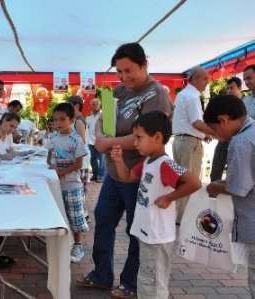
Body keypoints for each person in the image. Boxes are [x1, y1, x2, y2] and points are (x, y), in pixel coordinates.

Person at [77, 42, 171, 299]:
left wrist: (109, 142)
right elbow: (101, 123)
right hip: (114, 172)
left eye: (129, 70)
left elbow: (152, 136)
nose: (124, 77)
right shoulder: (118, 91)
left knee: (135, 228)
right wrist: (100, 137)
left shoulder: (157, 94)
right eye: (119, 71)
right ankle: (101, 275)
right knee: (103, 219)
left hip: (138, 173)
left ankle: (130, 283)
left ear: (144, 65)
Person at [110, 111, 201, 299]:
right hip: (148, 233)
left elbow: (195, 183)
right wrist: (118, 161)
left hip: (157, 236)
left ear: (158, 137)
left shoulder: (165, 164)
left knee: (152, 281)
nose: (135, 143)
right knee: (147, 278)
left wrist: (169, 198)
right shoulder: (148, 161)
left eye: (139, 138)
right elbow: (127, 177)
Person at [204, 94, 255, 297]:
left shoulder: (241, 142)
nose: (217, 135)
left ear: (224, 119)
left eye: (215, 129)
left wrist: (216, 187)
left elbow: (238, 187)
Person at [47, 103, 89, 262]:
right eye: (55, 119)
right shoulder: (53, 138)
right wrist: (51, 165)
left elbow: (79, 164)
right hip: (57, 185)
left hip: (72, 185)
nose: (58, 123)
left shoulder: (75, 139)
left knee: (76, 216)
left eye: (62, 119)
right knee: (61, 214)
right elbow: (50, 158)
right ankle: (65, 244)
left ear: (71, 120)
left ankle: (78, 245)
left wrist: (62, 172)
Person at [172, 66, 214, 224]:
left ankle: (179, 216)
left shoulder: (183, 94)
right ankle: (185, 219)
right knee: (191, 181)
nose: (207, 82)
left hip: (181, 141)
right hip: (189, 143)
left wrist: (205, 134)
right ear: (194, 79)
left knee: (181, 180)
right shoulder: (192, 96)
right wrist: (216, 132)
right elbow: (196, 122)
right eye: (204, 78)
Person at [210, 77, 242, 181]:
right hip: (223, 141)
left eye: (231, 88)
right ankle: (213, 191)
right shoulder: (223, 105)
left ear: (239, 88)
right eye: (228, 88)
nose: (229, 91)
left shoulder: (246, 104)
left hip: (239, 142)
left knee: (235, 171)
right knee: (216, 168)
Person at [87, 98, 105, 182]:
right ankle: (95, 174)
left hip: (100, 141)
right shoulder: (89, 117)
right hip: (91, 141)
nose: (94, 106)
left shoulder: (104, 115)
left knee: (101, 159)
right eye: (93, 104)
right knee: (92, 159)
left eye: (96, 104)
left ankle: (101, 176)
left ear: (99, 105)